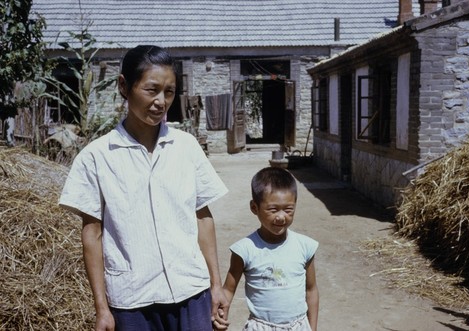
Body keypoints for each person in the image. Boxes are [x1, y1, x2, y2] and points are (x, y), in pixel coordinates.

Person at [59, 45, 229, 331]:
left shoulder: (186, 147)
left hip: (191, 293)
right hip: (132, 302)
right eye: (152, 90)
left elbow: (203, 217)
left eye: (169, 92)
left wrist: (216, 285)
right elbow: (93, 233)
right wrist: (102, 308)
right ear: (124, 86)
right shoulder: (97, 156)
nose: (161, 102)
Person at [219, 167, 319, 331]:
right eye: (273, 209)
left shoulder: (305, 246)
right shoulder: (244, 250)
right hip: (261, 326)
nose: (281, 216)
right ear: (254, 208)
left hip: (299, 326)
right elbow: (228, 291)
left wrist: (312, 327)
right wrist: (220, 318)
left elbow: (311, 289)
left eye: (288, 209)